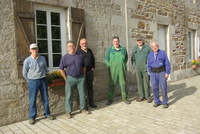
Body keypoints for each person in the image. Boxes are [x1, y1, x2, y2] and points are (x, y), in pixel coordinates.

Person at [22, 43, 54, 125]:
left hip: (43, 80)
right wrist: (29, 80)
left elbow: (45, 69)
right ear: (30, 50)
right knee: (32, 99)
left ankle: (47, 114)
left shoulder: (42, 58)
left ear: (38, 49)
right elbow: (24, 73)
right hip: (32, 81)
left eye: (35, 48)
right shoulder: (27, 60)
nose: (34, 50)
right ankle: (32, 117)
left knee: (45, 98)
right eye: (33, 49)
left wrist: (46, 77)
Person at [59, 41, 89, 119]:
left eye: (72, 45)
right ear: (67, 48)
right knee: (69, 95)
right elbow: (61, 69)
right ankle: (68, 112)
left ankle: (83, 109)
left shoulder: (80, 56)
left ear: (75, 46)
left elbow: (84, 67)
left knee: (82, 94)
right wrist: (66, 78)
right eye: (69, 46)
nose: (71, 47)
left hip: (80, 78)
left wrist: (84, 75)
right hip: (70, 78)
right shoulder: (65, 57)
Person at [104, 36, 130, 105]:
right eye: (114, 41)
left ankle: (125, 98)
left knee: (123, 84)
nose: (116, 42)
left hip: (122, 70)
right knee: (112, 85)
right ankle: (110, 99)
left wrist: (123, 65)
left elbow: (126, 59)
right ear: (112, 42)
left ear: (119, 42)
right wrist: (110, 66)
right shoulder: (109, 50)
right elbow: (106, 60)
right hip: (113, 71)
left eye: (117, 41)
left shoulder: (123, 50)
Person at [147, 41, 171, 108]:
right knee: (154, 88)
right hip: (153, 73)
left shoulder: (163, 53)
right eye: (153, 46)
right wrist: (150, 72)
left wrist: (167, 72)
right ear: (151, 47)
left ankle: (165, 102)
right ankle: (157, 101)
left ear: (158, 46)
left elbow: (167, 63)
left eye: (156, 46)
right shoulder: (150, 55)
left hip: (162, 72)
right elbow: (148, 64)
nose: (155, 47)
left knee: (163, 87)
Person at [131, 36, 152, 103]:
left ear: (142, 41)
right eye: (138, 40)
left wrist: (149, 66)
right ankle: (141, 96)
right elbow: (133, 59)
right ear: (136, 41)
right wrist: (135, 66)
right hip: (138, 68)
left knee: (146, 82)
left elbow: (151, 57)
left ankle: (147, 96)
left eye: (140, 40)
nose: (139, 41)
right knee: (139, 82)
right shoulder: (134, 49)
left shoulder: (147, 48)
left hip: (145, 67)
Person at [77, 38, 97, 108]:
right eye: (82, 43)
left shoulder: (90, 51)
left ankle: (91, 102)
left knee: (90, 88)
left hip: (90, 72)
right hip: (82, 74)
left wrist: (93, 67)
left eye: (85, 43)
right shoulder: (78, 52)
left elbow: (93, 59)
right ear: (80, 44)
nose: (84, 44)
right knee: (83, 89)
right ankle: (84, 104)